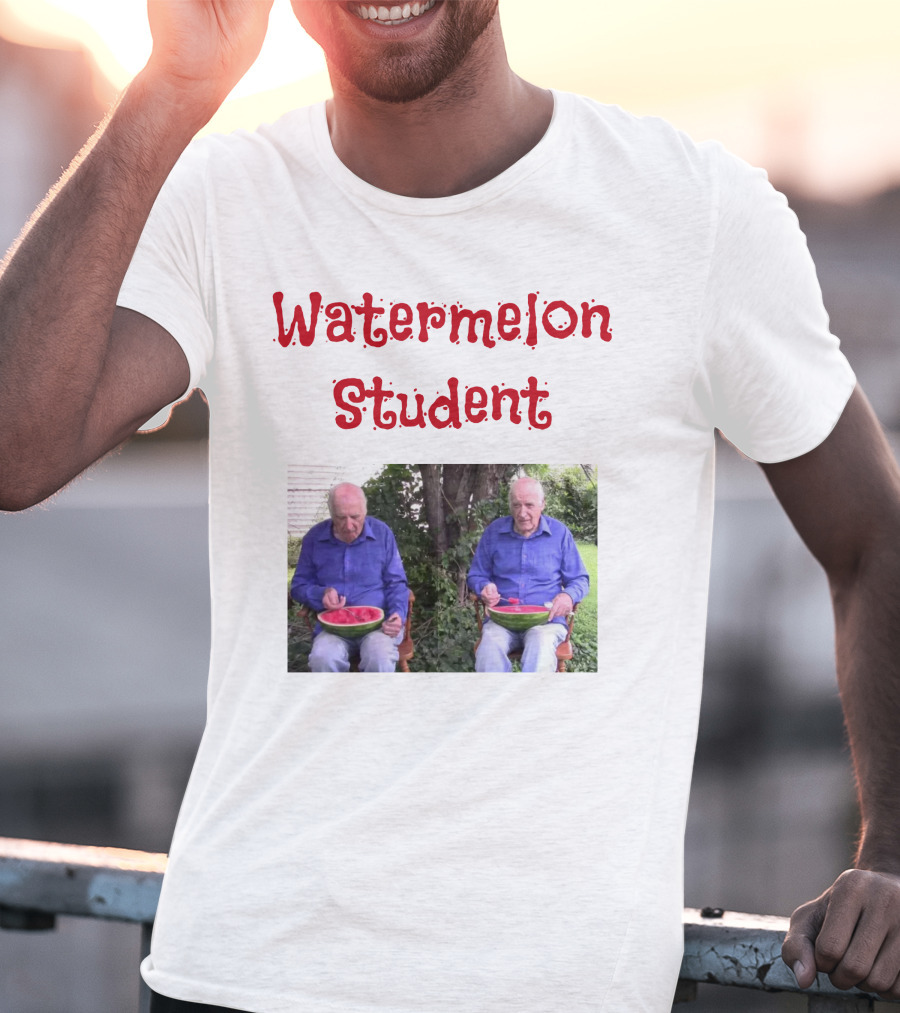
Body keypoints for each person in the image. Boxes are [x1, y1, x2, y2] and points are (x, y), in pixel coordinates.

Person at [2, 1, 900, 1010]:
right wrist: (170, 90)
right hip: (242, 971)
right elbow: (15, 447)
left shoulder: (691, 212)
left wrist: (894, 852)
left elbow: (875, 537)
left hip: (556, 986)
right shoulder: (222, 198)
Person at [468, 475, 589, 671]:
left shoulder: (560, 534)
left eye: (529, 505)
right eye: (516, 505)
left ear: (543, 504)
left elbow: (580, 579)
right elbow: (476, 575)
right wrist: (484, 586)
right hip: (502, 621)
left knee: (540, 645)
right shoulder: (493, 532)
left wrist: (568, 596)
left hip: (546, 622)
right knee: (489, 649)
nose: (522, 513)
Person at [291, 482, 408, 672]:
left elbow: (396, 582)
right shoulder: (314, 538)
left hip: (378, 627)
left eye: (355, 517)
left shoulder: (382, 533)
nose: (348, 525)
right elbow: (298, 586)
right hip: (333, 630)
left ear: (365, 510)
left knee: (380, 657)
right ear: (331, 514)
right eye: (340, 518)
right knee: (323, 658)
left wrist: (398, 614)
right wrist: (320, 594)